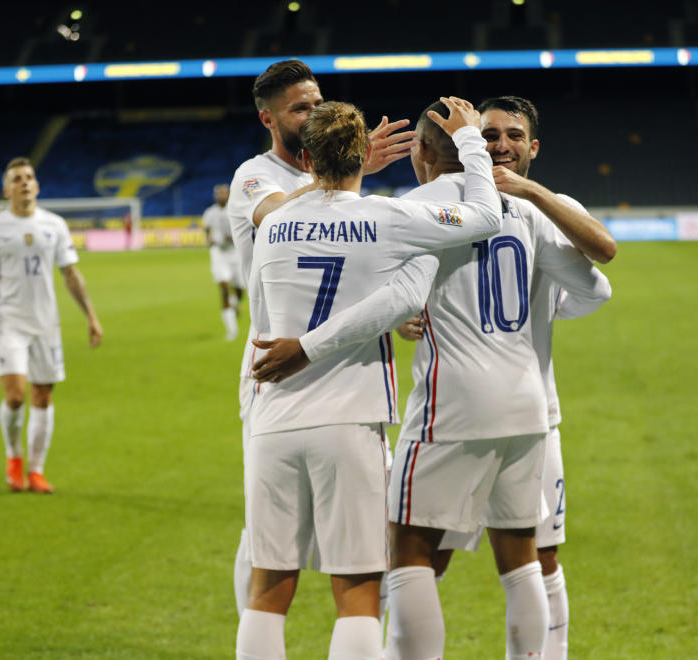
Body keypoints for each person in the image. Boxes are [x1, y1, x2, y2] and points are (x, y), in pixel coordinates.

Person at [236, 97, 502, 660]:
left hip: (272, 418)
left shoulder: (274, 225)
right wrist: (473, 142)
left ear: (305, 159)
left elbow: (260, 314)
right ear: (363, 156)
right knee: (357, 588)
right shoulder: (389, 218)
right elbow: (485, 216)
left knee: (268, 586)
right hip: (350, 419)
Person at [376, 99, 612, 660]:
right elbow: (597, 287)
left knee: (409, 552)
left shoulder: (419, 206)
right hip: (528, 406)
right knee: (521, 555)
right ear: (469, 142)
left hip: (452, 405)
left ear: (421, 151)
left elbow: (374, 287)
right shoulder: (528, 214)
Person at [225, 59, 416, 619]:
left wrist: (390, 314)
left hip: (348, 365)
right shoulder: (255, 176)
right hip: (274, 366)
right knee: (269, 531)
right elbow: (274, 216)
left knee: (355, 535)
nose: (313, 114)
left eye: (317, 102)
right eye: (299, 108)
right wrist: (345, 171)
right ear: (268, 119)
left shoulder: (339, 183)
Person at [0, 157, 103, 494]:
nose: (25, 183)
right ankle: (14, 458)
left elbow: (70, 273)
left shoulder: (55, 225)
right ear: (6, 189)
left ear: (38, 186)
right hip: (8, 323)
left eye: (29, 177)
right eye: (17, 179)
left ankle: (37, 470)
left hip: (46, 324)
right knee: (15, 397)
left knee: (42, 397)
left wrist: (90, 313)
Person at [203, 183, 242, 340]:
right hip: (219, 253)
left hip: (235, 253)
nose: (221, 196)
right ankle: (232, 331)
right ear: (215, 196)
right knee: (224, 289)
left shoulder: (236, 211)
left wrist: (233, 237)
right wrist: (209, 239)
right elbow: (206, 229)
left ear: (229, 194)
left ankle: (235, 302)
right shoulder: (210, 213)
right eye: (219, 193)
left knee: (239, 290)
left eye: (224, 193)